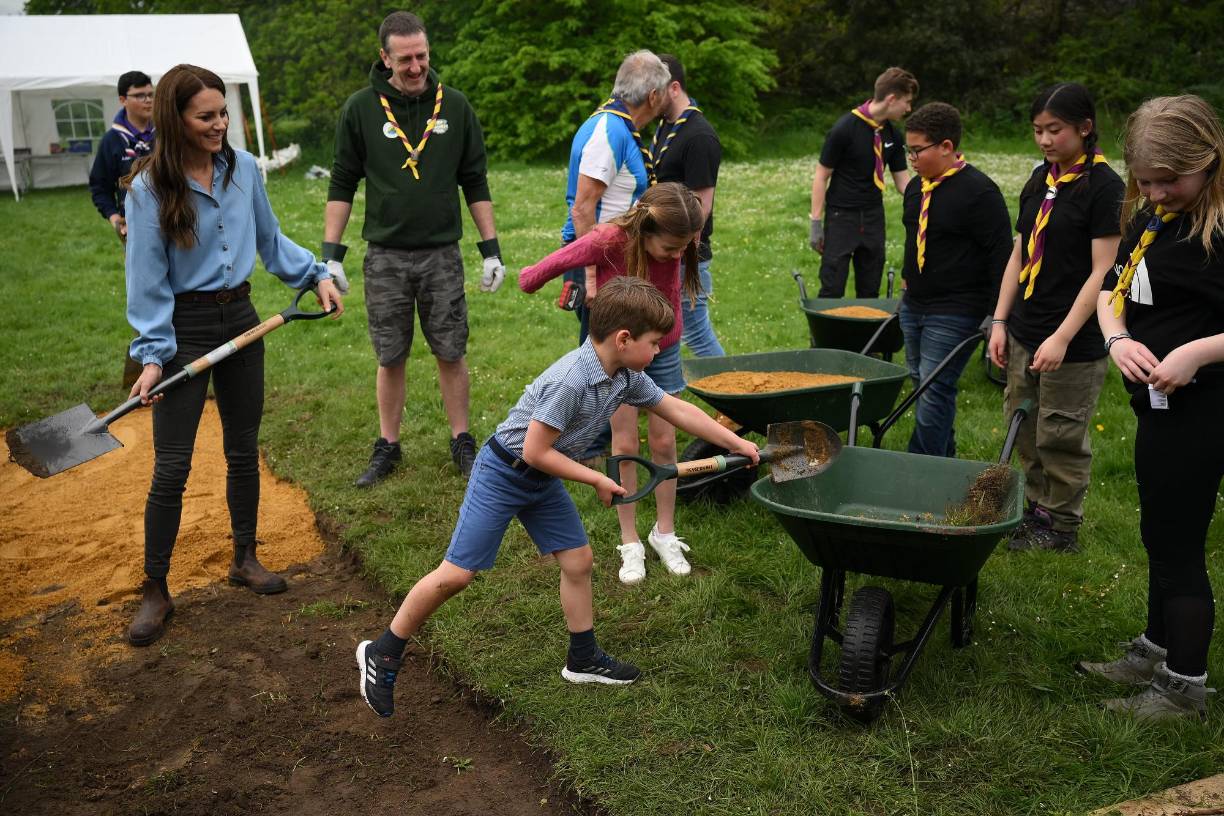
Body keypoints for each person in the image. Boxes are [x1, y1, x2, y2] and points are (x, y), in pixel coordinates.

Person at [355, 277, 759, 717]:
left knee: (578, 561)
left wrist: (735, 442)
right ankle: (384, 650)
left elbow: (676, 409)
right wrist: (596, 479)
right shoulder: (571, 380)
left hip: (541, 478)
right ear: (623, 340)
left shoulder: (624, 376)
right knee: (456, 575)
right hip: (503, 473)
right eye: (654, 342)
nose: (658, 350)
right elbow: (534, 450)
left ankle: (582, 658)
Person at [123, 64, 344, 647]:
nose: (220, 124)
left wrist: (315, 273)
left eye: (223, 113)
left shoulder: (244, 170)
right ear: (177, 120)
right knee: (172, 465)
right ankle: (156, 588)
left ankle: (244, 557)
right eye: (206, 116)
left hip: (242, 320)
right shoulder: (149, 189)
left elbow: (271, 241)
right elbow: (146, 281)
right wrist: (152, 355)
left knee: (243, 448)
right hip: (184, 328)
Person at [1078, 95, 1224, 722]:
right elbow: (1113, 289)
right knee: (1160, 530)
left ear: (1211, 161)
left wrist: (1198, 352)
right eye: (1148, 180)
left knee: (1177, 542)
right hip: (1159, 406)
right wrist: (1117, 338)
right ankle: (1157, 646)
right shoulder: (1153, 216)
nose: (1159, 192)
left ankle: (1184, 685)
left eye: (1173, 180)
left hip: (1208, 408)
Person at [326, 10, 506, 486]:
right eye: (404, 58)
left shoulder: (457, 106)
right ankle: (388, 445)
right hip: (384, 255)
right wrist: (331, 253)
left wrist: (492, 250)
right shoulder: (361, 109)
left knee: (451, 349)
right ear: (384, 57)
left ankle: (461, 440)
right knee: (391, 355)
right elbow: (343, 182)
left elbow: (476, 181)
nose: (415, 66)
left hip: (441, 253)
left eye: (421, 55)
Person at [519, 183, 703, 585]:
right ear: (647, 229)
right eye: (671, 249)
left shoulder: (681, 233)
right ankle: (630, 539)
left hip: (663, 347)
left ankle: (664, 532)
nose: (677, 256)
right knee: (624, 444)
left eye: (682, 248)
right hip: (619, 356)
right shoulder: (609, 239)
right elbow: (549, 265)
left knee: (664, 441)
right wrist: (536, 280)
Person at [988, 83, 1124, 554]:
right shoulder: (1039, 178)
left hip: (1074, 339)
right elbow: (1019, 253)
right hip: (1025, 327)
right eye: (1037, 131)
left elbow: (1104, 271)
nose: (1045, 140)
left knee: (1061, 432)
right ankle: (1035, 509)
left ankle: (1062, 526)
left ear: (1085, 128)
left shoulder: (1105, 188)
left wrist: (1063, 336)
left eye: (1055, 130)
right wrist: (1001, 322)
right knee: (1024, 425)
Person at [898, 102, 1011, 457]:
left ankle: (921, 464)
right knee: (920, 382)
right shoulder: (918, 189)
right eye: (908, 150)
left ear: (946, 147)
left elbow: (1001, 257)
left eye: (917, 150)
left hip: (957, 308)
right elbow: (911, 239)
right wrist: (905, 284)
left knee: (934, 387)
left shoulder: (979, 193)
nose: (911, 159)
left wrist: (996, 317)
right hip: (914, 304)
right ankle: (943, 459)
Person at [809, 67, 916, 298]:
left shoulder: (893, 136)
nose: (908, 108)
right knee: (832, 286)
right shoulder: (844, 129)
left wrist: (926, 200)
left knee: (870, 288)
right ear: (891, 99)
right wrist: (816, 223)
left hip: (873, 217)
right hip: (841, 217)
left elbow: (902, 181)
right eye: (906, 102)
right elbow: (821, 175)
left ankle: (865, 335)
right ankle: (826, 334)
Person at [653, 54, 724, 357]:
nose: (649, 96)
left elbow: (701, 206)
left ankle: (734, 397)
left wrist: (679, 253)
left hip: (686, 254)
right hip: (668, 249)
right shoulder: (666, 126)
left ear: (674, 87)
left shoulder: (699, 136)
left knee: (695, 332)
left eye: (655, 89)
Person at [90, 69, 156, 389]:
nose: (148, 101)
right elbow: (99, 187)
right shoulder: (114, 140)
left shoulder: (164, 133)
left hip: (172, 226)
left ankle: (178, 364)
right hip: (135, 232)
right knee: (145, 299)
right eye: (140, 95)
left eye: (151, 94)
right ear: (122, 100)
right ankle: (141, 372)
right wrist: (116, 219)